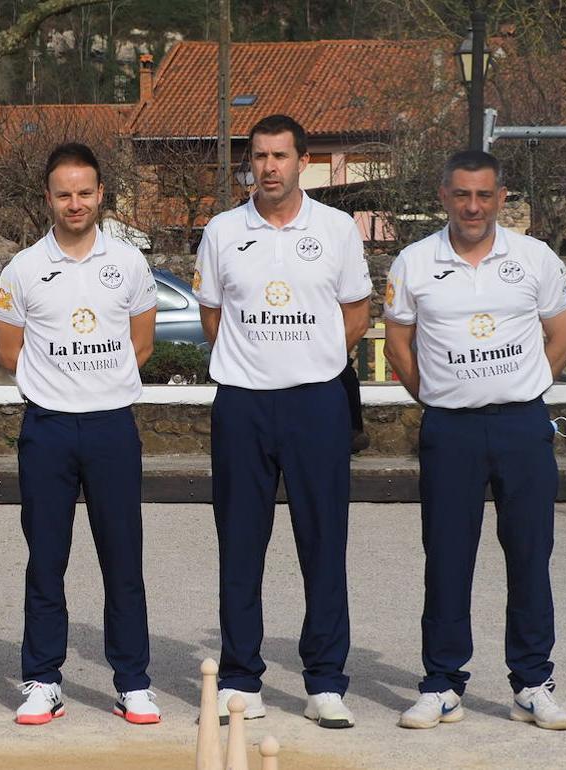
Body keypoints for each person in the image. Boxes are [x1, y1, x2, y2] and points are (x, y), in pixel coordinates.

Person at [384, 150, 566, 731]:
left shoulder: (534, 257)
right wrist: (443, 397)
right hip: (450, 429)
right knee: (446, 556)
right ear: (443, 195)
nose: (473, 206)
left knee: (529, 555)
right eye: (462, 194)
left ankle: (532, 682)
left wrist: (522, 388)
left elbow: (562, 336)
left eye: (484, 195)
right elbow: (399, 348)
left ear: (501, 197)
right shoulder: (415, 262)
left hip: (522, 425)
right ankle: (442, 682)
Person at [195, 114, 372, 729]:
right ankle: (241, 679)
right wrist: (255, 362)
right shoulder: (221, 230)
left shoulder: (337, 228)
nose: (269, 167)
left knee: (323, 542)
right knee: (240, 542)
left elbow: (356, 309)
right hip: (243, 403)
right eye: (260, 156)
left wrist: (317, 357)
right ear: (250, 163)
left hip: (316, 402)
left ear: (302, 162)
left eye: (280, 156)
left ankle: (325, 680)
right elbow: (212, 317)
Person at [0, 143, 160, 726]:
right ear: (48, 197)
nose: (75, 203)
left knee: (123, 560)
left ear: (100, 195)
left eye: (84, 192)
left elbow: (141, 344)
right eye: (63, 193)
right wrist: (60, 390)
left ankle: (133, 681)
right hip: (48, 430)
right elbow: (10, 352)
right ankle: (42, 680)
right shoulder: (22, 269)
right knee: (46, 560)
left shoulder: (130, 263)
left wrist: (99, 385)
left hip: (113, 425)